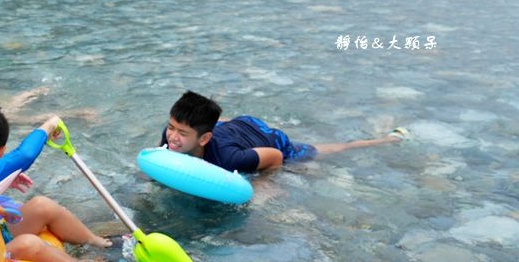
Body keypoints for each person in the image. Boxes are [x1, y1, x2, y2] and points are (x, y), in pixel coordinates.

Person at [0, 105, 111, 262]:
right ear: (1, 152)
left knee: (42, 205)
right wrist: (50, 125)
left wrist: (1, 180)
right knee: (30, 243)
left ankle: (97, 241)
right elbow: (25, 155)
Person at [160, 90, 407, 172]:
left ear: (204, 139)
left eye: (181, 133)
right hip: (235, 126)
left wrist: (264, 184)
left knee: (319, 151)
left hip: (270, 139)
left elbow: (275, 158)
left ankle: (387, 139)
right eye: (172, 127)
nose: (173, 136)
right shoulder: (169, 138)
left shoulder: (228, 158)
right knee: (222, 127)